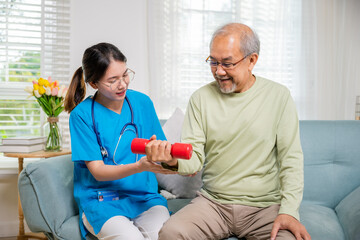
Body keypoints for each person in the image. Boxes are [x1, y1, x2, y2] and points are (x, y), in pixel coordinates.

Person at [149, 23, 311, 240]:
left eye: (227, 63)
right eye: (213, 62)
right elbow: (193, 159)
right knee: (171, 233)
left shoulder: (279, 96)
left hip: (263, 208)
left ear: (252, 60)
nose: (219, 71)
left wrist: (289, 211)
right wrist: (170, 158)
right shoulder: (200, 99)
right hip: (213, 204)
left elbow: (291, 160)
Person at [64, 42, 176, 240]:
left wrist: (174, 163)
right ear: (94, 83)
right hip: (102, 201)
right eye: (112, 80)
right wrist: (140, 166)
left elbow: (162, 153)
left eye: (125, 75)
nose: (122, 84)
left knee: (166, 236)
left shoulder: (142, 103)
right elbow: (98, 171)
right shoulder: (81, 115)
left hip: (144, 197)